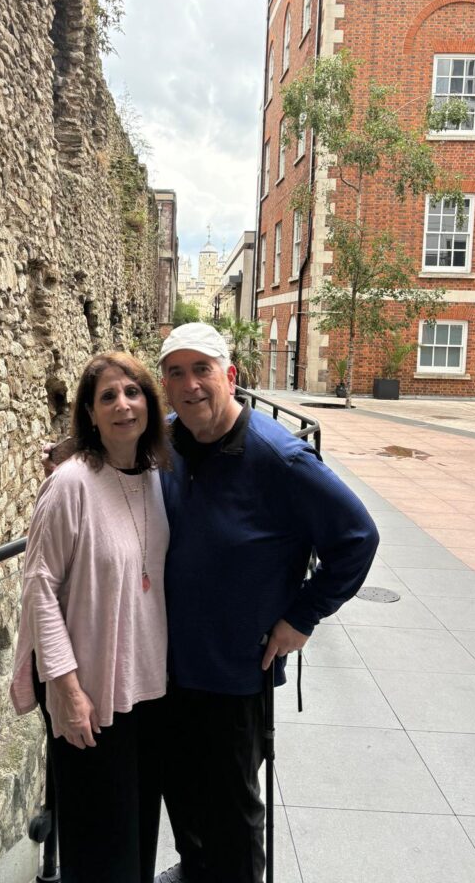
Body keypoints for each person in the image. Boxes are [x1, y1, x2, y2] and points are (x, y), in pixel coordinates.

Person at [155, 322, 379, 883]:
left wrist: (302, 617)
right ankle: (194, 869)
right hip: (164, 663)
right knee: (180, 791)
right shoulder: (164, 440)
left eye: (202, 370)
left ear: (231, 377)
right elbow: (110, 435)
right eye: (176, 373)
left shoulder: (280, 458)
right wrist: (65, 451)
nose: (191, 385)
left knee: (230, 810)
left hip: (234, 670)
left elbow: (358, 537)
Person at [11, 351, 172, 883]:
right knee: (97, 846)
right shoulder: (70, 485)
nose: (124, 405)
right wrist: (67, 689)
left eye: (133, 392)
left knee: (137, 831)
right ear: (90, 412)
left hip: (146, 689)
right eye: (108, 397)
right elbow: (38, 589)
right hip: (89, 692)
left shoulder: (152, 475)